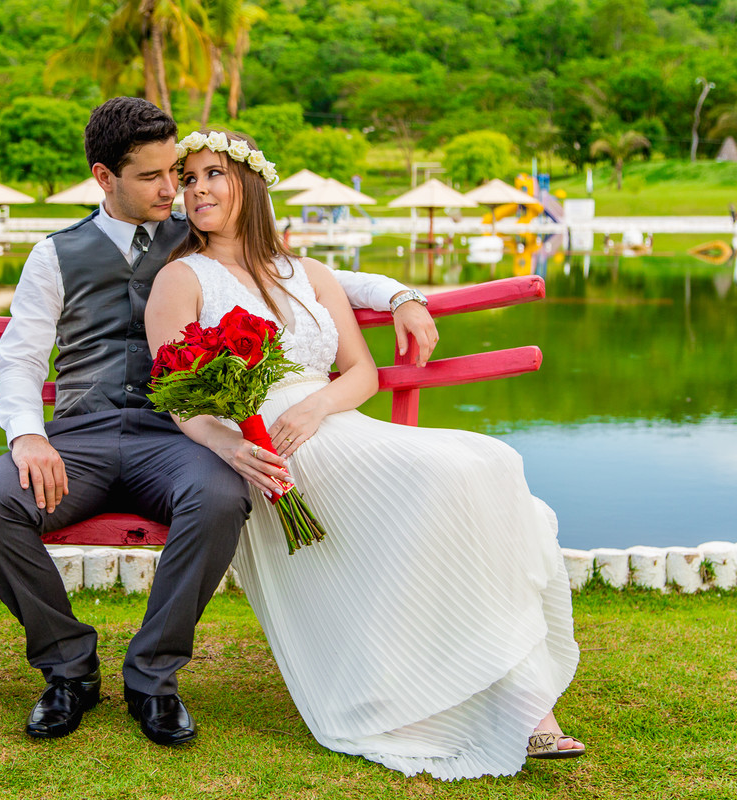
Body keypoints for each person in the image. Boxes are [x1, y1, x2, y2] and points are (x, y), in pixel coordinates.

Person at [0, 98, 439, 746]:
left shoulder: (198, 243)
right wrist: (28, 436)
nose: (173, 189)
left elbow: (301, 275)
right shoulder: (55, 255)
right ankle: (68, 667)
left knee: (219, 496)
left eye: (176, 173)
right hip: (83, 437)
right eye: (156, 177)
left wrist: (401, 294)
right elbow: (18, 357)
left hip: (177, 437)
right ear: (105, 178)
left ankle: (153, 677)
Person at [145, 130, 584, 779]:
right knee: (452, 477)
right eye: (188, 180)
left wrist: (318, 403)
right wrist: (238, 446)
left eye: (213, 174)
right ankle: (497, 700)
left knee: (491, 464)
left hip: (330, 422)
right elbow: (178, 394)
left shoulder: (308, 273)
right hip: (266, 445)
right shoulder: (180, 277)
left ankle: (523, 702)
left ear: (251, 185)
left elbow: (361, 372)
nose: (198, 189)